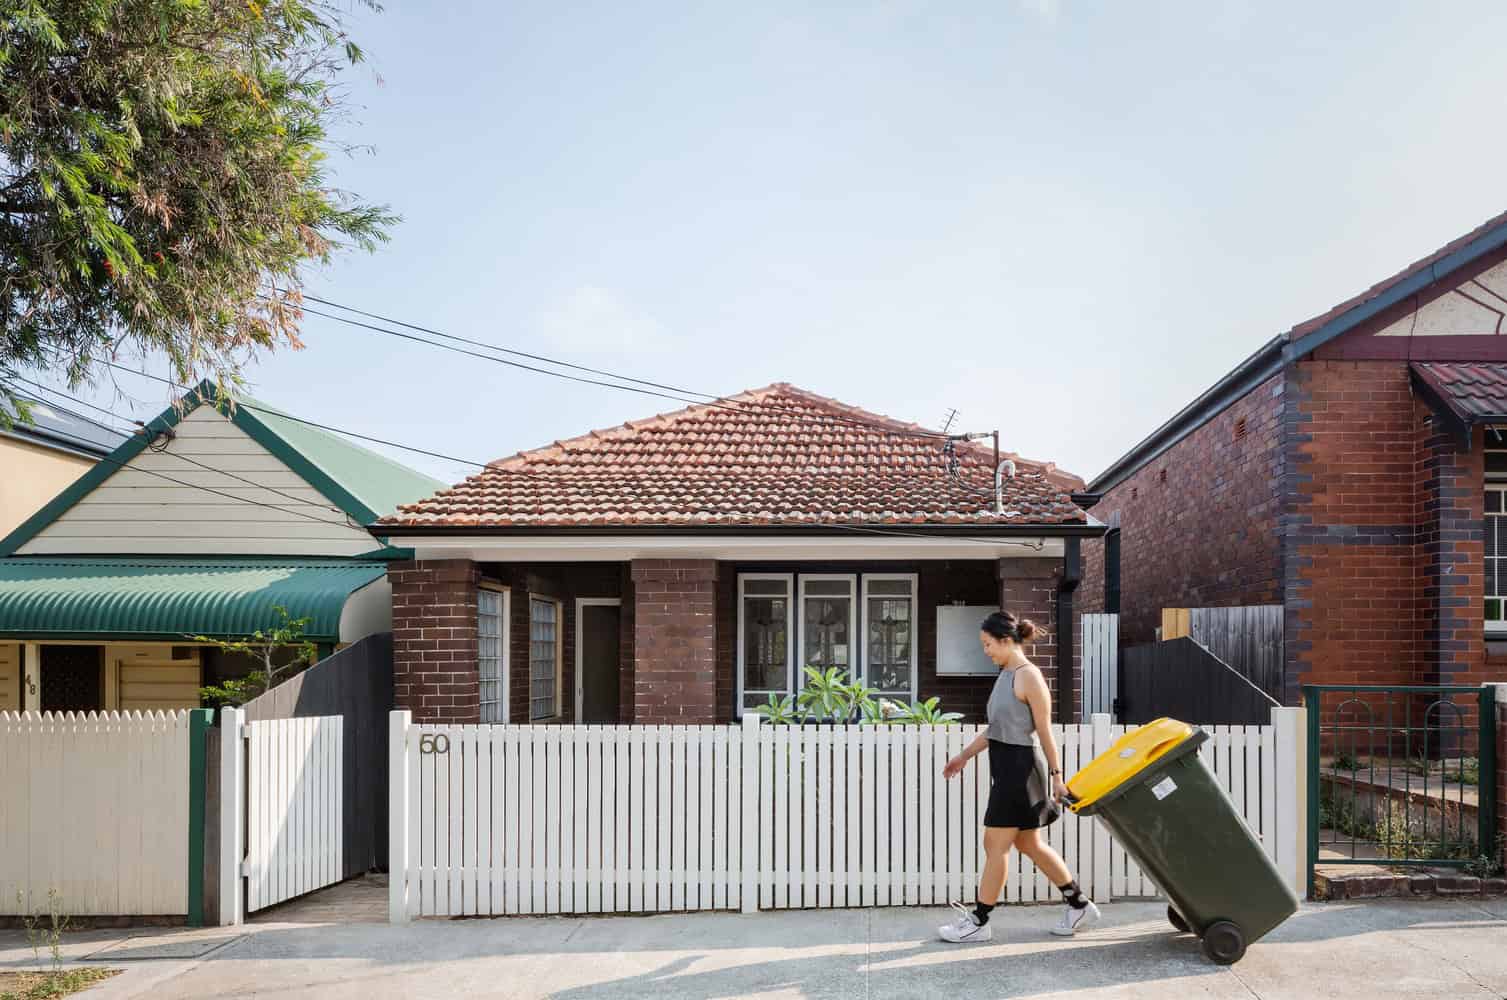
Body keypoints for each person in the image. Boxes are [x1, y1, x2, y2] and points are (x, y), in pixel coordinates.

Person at [936, 610, 1100, 943]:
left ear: (1006, 641)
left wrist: (1057, 776)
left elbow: (1044, 731)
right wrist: (963, 756)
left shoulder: (1029, 676)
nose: (986, 651)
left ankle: (979, 922)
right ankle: (1078, 903)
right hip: (1007, 768)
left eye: (988, 644)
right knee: (1029, 843)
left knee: (995, 843)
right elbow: (995, 730)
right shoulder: (1006, 674)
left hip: (1021, 770)